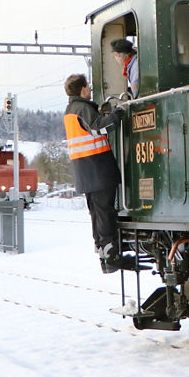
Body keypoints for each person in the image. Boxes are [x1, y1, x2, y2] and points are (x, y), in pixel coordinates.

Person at [63, 73, 134, 273]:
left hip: (84, 170)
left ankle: (104, 251)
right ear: (82, 89)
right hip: (97, 167)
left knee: (96, 212)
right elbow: (98, 128)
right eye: (88, 86)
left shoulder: (70, 110)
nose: (90, 89)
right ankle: (111, 253)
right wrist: (118, 114)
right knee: (105, 211)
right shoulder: (82, 108)